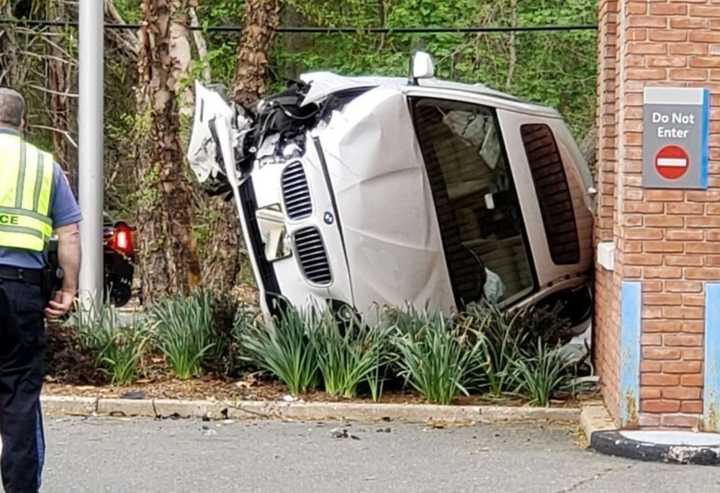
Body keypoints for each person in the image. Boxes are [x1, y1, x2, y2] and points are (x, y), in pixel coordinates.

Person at [0, 88, 81, 493]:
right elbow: (69, 232)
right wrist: (68, 288)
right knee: (19, 397)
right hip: (21, 291)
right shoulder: (43, 165)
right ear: (23, 124)